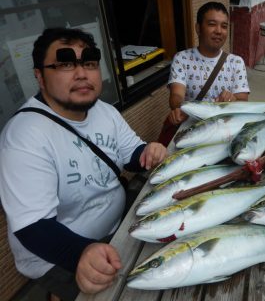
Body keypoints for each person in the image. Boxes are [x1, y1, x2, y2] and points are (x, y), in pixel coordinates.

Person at [0, 27, 167, 300]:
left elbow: (132, 156)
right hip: (56, 253)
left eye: (89, 63)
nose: (81, 73)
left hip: (118, 222)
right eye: (65, 64)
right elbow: (33, 227)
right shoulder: (23, 137)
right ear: (39, 76)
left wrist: (148, 151)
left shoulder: (105, 111)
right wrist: (81, 253)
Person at [158, 1, 250, 145]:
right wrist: (179, 108)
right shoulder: (182, 58)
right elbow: (176, 95)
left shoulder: (235, 62)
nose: (219, 30)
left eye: (224, 26)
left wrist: (232, 98)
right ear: (198, 28)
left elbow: (243, 98)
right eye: (212, 24)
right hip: (191, 132)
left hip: (224, 133)